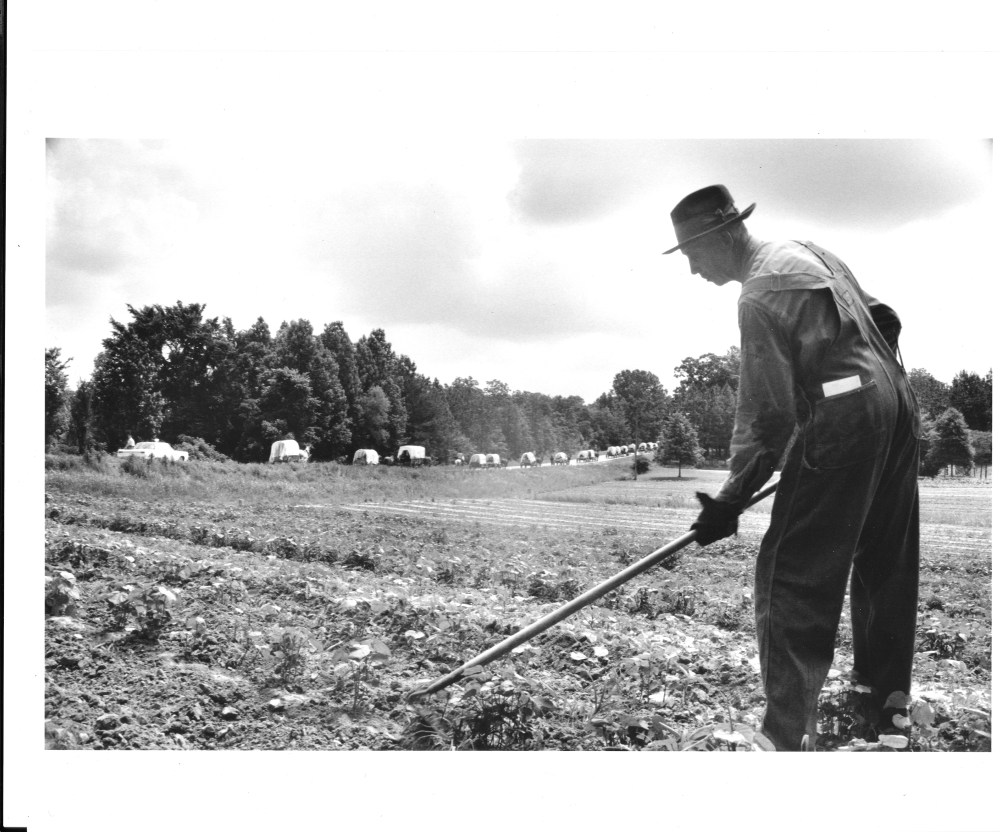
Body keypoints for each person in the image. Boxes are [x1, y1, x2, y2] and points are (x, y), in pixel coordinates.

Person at [664, 185, 921, 751]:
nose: (692, 269)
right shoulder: (808, 251)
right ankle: (886, 718)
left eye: (691, 254)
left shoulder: (757, 295)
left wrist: (730, 499)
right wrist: (849, 389)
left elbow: (767, 417)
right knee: (886, 565)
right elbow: (886, 319)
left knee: (789, 574)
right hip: (898, 402)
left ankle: (783, 736)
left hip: (851, 417)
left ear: (724, 235)